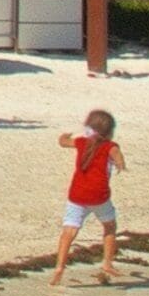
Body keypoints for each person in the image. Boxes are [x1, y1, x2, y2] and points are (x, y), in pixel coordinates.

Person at [53, 109, 124, 284]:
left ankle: (60, 267)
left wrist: (64, 136)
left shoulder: (81, 142)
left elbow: (62, 142)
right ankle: (107, 263)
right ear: (109, 132)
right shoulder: (110, 146)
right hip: (99, 196)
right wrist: (121, 164)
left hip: (77, 195)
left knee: (69, 231)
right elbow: (119, 159)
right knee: (109, 226)